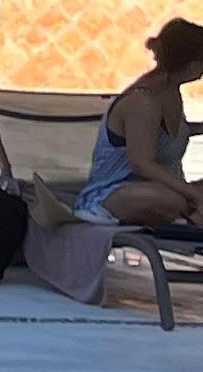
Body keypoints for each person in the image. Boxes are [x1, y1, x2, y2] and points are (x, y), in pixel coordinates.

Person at [84, 17, 203, 227]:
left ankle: (190, 215)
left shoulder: (171, 90)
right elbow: (142, 164)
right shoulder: (143, 101)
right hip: (117, 194)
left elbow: (171, 135)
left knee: (178, 198)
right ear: (193, 63)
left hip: (169, 189)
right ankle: (190, 217)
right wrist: (192, 193)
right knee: (168, 200)